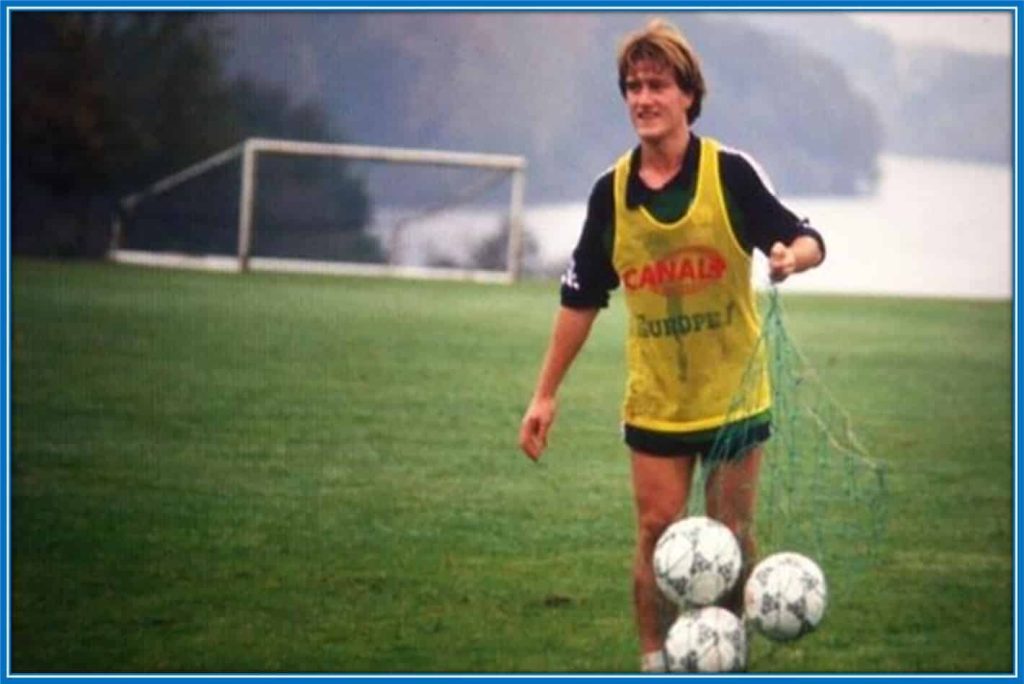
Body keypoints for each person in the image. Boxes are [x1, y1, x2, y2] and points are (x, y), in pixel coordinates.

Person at [517, 18, 826, 673]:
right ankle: (655, 660)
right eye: (632, 86)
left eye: (657, 85)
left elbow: (808, 237)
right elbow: (580, 298)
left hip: (734, 394)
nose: (642, 98)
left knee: (731, 541)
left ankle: (727, 659)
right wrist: (544, 394)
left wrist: (788, 259)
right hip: (657, 401)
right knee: (659, 537)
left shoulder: (729, 173)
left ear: (688, 95)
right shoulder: (612, 193)